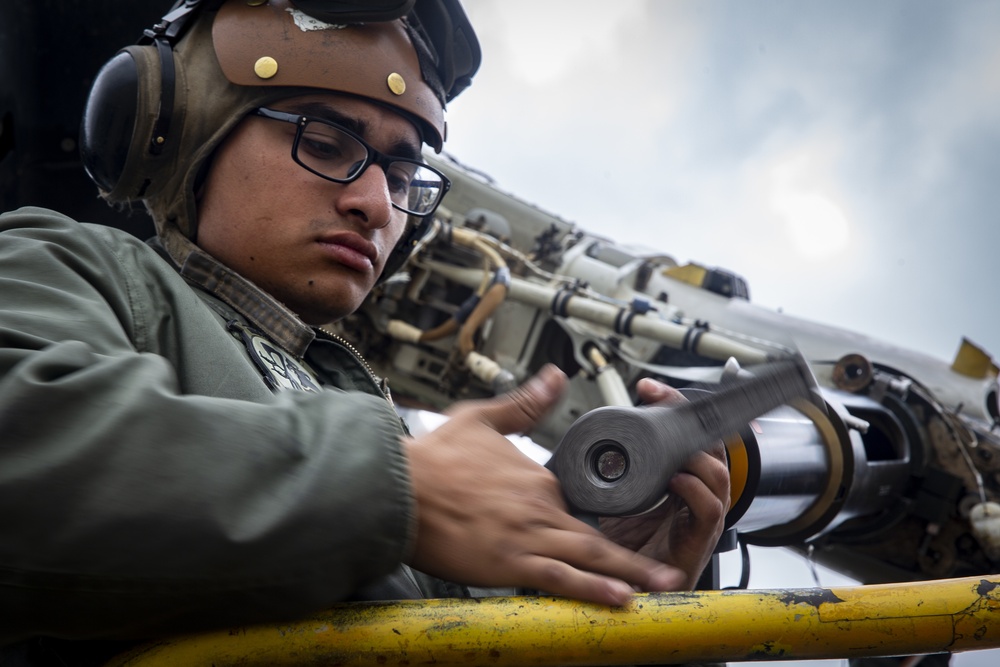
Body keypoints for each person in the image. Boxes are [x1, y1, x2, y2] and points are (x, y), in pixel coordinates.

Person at [0, 0, 730, 662]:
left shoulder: (379, 427)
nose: (377, 204)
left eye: (403, 175)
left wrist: (621, 592)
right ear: (183, 131)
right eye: (324, 141)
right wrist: (392, 487)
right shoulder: (64, 264)